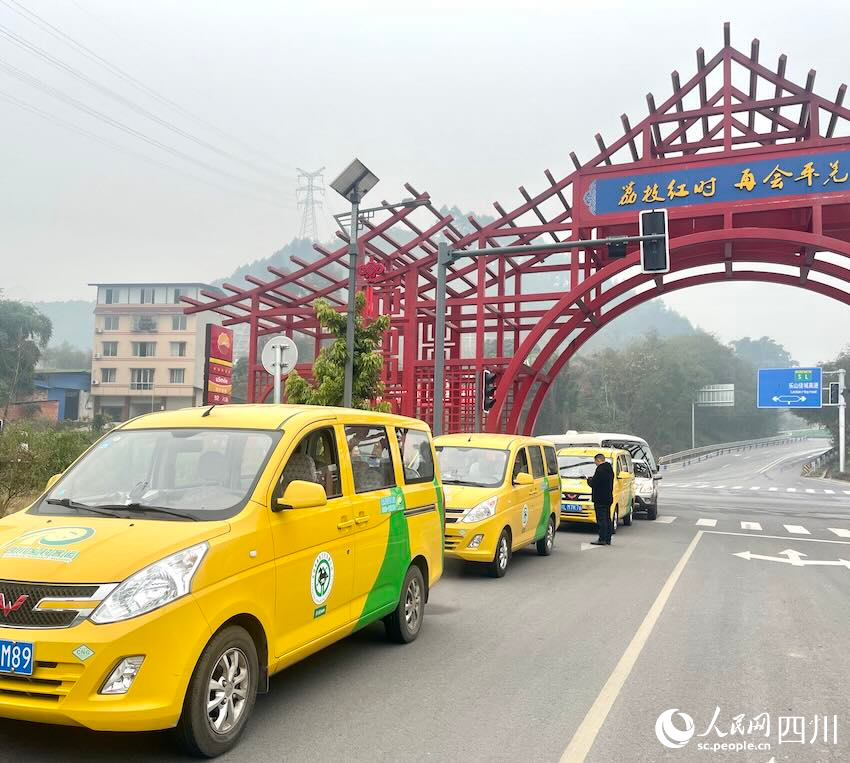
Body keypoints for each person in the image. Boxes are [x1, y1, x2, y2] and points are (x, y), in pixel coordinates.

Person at [587, 453, 614, 546]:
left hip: (600, 498)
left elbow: (594, 483)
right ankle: (608, 539)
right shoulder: (609, 469)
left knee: (601, 519)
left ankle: (602, 538)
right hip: (608, 497)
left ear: (598, 460)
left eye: (595, 461)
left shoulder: (600, 470)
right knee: (607, 518)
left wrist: (589, 480)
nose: (595, 463)